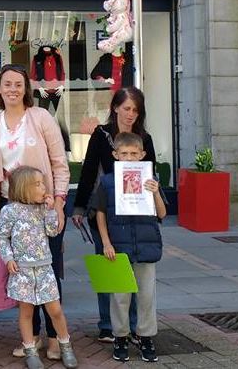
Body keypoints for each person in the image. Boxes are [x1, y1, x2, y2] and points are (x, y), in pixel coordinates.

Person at [0, 64, 69, 360]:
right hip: (13, 208)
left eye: (18, 84)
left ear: (26, 89)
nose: (12, 89)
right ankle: (31, 336)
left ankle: (55, 337)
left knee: (48, 272)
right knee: (23, 275)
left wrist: (59, 203)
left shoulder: (41, 117)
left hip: (44, 205)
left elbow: (59, 161)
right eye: (7, 84)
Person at [71, 86, 155, 343]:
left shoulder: (144, 138)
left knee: (134, 271)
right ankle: (108, 325)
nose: (131, 114)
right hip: (105, 213)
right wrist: (80, 206)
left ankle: (131, 326)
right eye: (127, 108)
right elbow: (88, 171)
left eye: (135, 110)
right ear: (115, 108)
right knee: (109, 267)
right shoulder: (102, 135)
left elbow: (150, 175)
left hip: (136, 214)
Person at [93, 132, 166, 363]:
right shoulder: (106, 182)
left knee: (146, 296)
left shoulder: (150, 179)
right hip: (118, 247)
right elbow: (100, 214)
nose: (129, 158)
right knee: (120, 296)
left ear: (143, 155)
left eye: (134, 154)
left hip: (145, 246)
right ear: (115, 155)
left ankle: (145, 337)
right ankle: (120, 337)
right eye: (124, 154)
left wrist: (155, 192)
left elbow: (162, 213)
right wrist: (106, 243)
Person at [0, 166, 78, 369]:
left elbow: (52, 232)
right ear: (25, 188)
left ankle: (65, 345)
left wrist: (51, 210)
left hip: (44, 269)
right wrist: (8, 258)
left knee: (56, 310)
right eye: (39, 184)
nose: (44, 187)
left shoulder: (43, 208)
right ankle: (30, 349)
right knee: (26, 312)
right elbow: (2, 236)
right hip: (22, 270)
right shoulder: (9, 211)